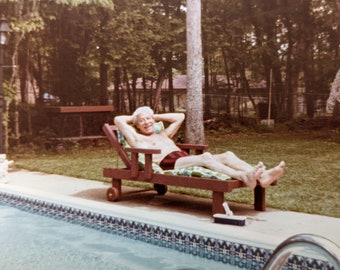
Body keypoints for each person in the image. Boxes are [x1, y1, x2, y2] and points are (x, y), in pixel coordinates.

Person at [114, 106, 285, 189]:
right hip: (168, 164)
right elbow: (118, 120)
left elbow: (179, 116)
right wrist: (137, 116)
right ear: (136, 125)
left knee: (228, 155)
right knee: (206, 157)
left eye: (149, 119)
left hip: (182, 158)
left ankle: (261, 177)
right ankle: (243, 176)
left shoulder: (163, 134)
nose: (148, 122)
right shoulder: (137, 139)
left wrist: (152, 115)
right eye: (142, 121)